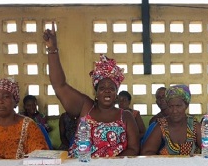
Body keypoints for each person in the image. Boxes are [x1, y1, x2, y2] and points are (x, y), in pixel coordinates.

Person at [43, 23, 139, 157]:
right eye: (102, 88)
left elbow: (134, 149)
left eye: (111, 88)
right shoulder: (85, 107)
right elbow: (59, 85)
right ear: (96, 92)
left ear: (116, 93)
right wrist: (52, 49)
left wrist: (110, 164)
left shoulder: (126, 116)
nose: (107, 91)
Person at [0, 78, 48, 159]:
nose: (0, 101)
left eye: (6, 97)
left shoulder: (29, 126)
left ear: (15, 101)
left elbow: (39, 158)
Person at [141, 85, 202, 155]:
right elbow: (147, 152)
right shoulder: (161, 126)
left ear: (186, 105)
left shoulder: (194, 126)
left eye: (178, 106)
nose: (174, 111)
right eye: (170, 106)